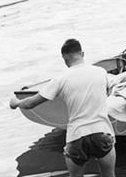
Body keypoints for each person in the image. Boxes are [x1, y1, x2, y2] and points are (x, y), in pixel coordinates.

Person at [10, 39, 116, 177]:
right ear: (82, 53)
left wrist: (16, 102)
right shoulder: (101, 72)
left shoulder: (60, 79)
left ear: (64, 58)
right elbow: (111, 89)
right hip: (101, 133)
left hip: (77, 137)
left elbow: (30, 104)